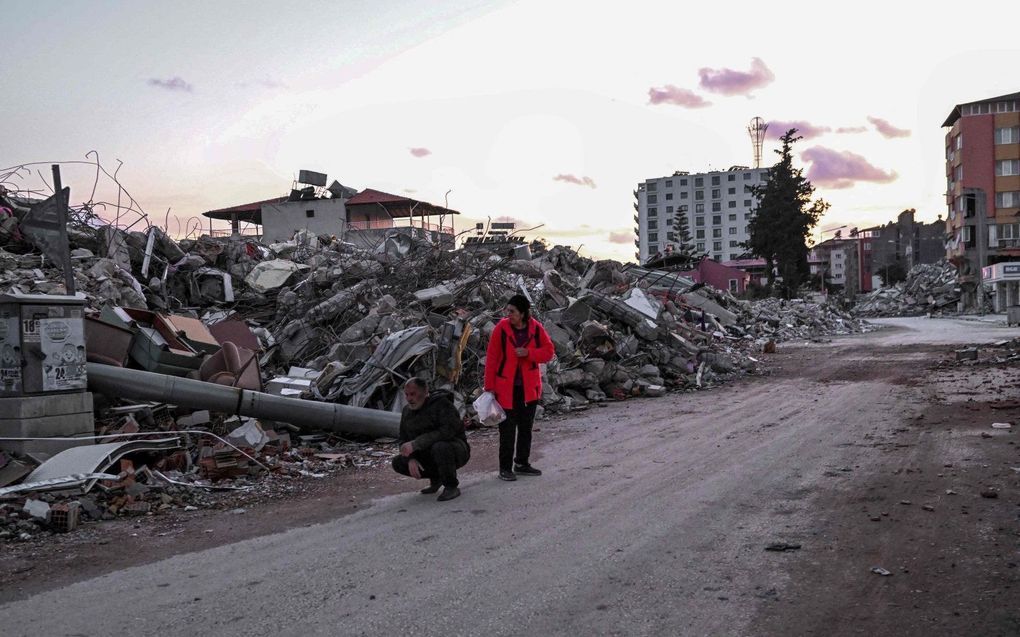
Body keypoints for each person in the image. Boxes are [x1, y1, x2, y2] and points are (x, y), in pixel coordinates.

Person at [484, 294, 555, 481]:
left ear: (523, 313)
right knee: (507, 430)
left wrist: (528, 353)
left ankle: (522, 463)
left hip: (528, 389)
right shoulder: (501, 329)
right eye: (508, 311)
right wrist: (489, 387)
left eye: (512, 311)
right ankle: (505, 468)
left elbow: (548, 352)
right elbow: (492, 358)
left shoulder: (536, 329)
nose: (509, 315)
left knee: (525, 428)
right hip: (505, 389)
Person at [391, 377, 470, 502]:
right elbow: (403, 439)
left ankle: (451, 486)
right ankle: (436, 478)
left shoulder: (442, 404)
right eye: (407, 395)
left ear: (424, 392)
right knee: (398, 462)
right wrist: (410, 458)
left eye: (413, 394)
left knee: (440, 447)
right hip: (427, 454)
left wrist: (417, 443)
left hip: (454, 449)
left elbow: (447, 431)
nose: (409, 399)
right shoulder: (407, 411)